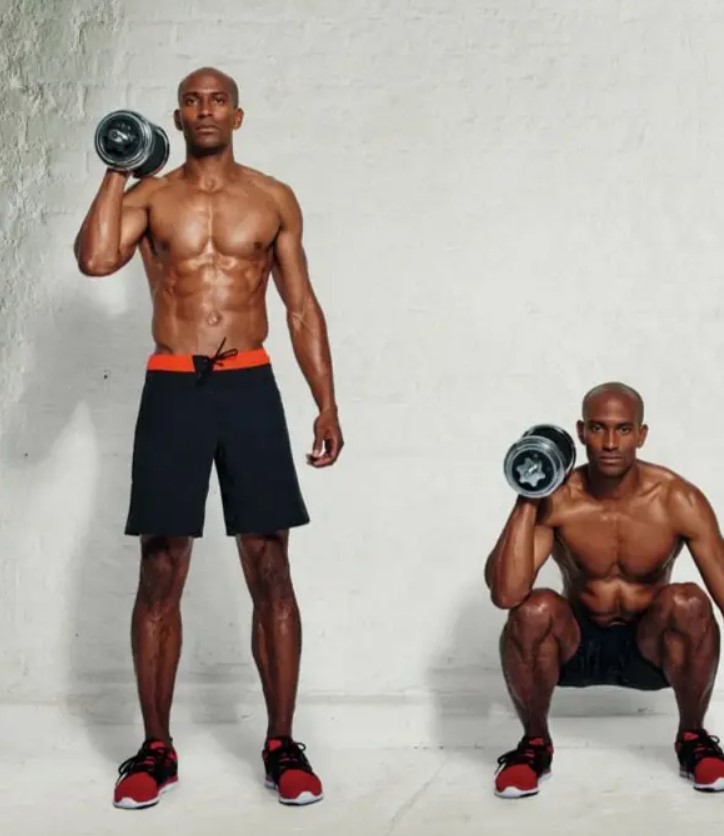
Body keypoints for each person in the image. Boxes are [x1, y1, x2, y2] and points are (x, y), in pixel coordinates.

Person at [74, 67, 344, 810]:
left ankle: (281, 743)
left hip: (250, 383)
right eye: (192, 100)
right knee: (161, 568)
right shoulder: (150, 197)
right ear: (176, 115)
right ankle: (155, 748)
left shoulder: (272, 197)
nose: (205, 109)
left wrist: (325, 402)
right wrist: (118, 165)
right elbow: (96, 259)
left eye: (217, 99)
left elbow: (300, 306)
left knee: (269, 565)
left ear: (238, 113)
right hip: (172, 385)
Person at [485, 382, 724, 798]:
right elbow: (505, 594)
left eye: (623, 429)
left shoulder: (676, 499)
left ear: (642, 435)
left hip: (653, 651)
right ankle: (534, 745)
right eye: (598, 428)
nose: (610, 442)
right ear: (581, 431)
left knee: (689, 600)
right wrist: (530, 492)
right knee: (532, 608)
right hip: (576, 651)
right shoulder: (560, 499)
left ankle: (692, 739)